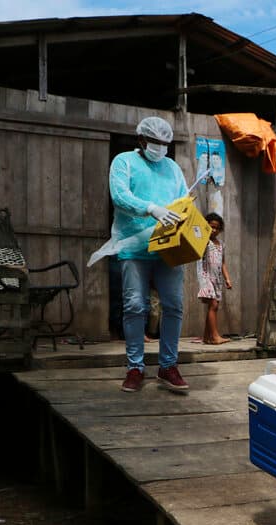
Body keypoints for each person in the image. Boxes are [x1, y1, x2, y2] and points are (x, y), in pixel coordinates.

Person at [108, 116, 190, 394]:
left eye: (165, 143)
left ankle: (168, 365)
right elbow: (119, 196)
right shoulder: (124, 162)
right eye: (155, 142)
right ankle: (135, 367)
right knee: (134, 306)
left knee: (174, 305)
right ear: (141, 140)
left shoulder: (173, 168)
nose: (161, 148)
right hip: (134, 246)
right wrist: (151, 208)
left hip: (168, 246)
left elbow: (183, 201)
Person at [196, 212, 233, 344]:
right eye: (211, 227)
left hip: (217, 278)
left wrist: (227, 279)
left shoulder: (221, 244)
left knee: (213, 305)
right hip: (206, 276)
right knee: (213, 305)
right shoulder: (204, 242)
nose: (214, 230)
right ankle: (215, 336)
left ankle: (207, 337)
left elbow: (223, 263)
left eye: (217, 228)